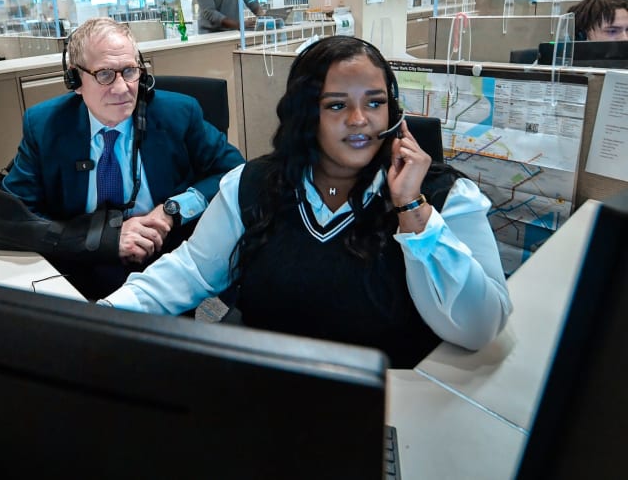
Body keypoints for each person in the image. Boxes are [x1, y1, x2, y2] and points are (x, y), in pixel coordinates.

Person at [100, 35, 512, 368]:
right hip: (273, 398)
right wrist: (102, 316)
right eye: (337, 105)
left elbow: (480, 327)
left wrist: (412, 210)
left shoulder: (444, 197)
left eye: (375, 102)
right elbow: (189, 271)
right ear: (304, 115)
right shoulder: (252, 185)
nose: (359, 119)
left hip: (390, 408)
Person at [0, 17, 245, 301]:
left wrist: (172, 210)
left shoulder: (178, 114)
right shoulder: (46, 125)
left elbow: (234, 172)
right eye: (105, 75)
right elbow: (7, 221)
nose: (122, 88)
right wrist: (105, 239)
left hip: (162, 264)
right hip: (82, 266)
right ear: (75, 80)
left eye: (130, 71)